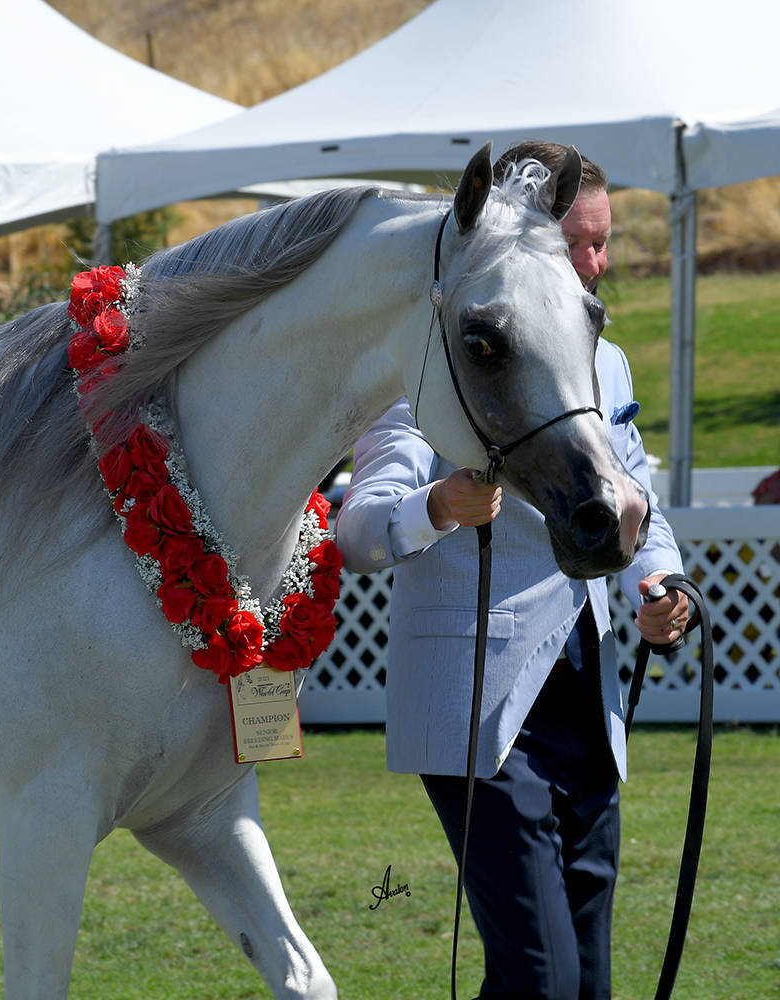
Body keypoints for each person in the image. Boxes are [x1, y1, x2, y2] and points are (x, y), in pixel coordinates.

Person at [335, 141, 690, 1000]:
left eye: (604, 244)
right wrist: (437, 508)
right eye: (578, 245)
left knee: (587, 979)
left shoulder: (606, 363)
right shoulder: (435, 364)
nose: (596, 265)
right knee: (544, 980)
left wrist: (665, 584)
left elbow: (640, 500)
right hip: (478, 709)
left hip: (585, 692)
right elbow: (357, 531)